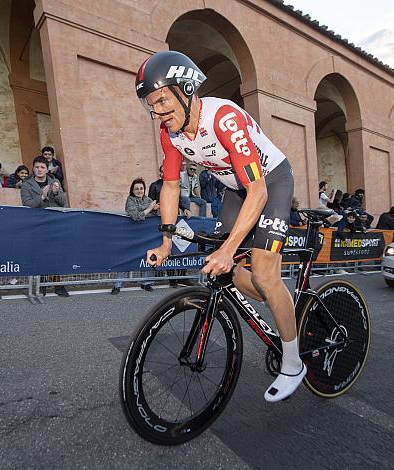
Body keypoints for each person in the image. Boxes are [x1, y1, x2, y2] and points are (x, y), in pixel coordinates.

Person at [138, 50, 303, 402]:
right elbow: (169, 185)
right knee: (236, 274)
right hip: (234, 189)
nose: (157, 113)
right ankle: (281, 300)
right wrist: (166, 241)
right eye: (151, 105)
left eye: (163, 101)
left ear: (186, 89)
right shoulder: (171, 134)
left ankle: (293, 363)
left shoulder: (224, 119)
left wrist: (229, 249)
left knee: (261, 270)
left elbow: (257, 190)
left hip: (270, 183)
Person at [21, 156, 70, 297]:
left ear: (46, 169)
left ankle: (57, 284)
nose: (39, 169)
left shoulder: (55, 181)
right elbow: (27, 204)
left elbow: (63, 203)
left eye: (42, 167)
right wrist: (42, 196)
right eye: (37, 167)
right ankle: (41, 284)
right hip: (36, 224)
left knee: (55, 253)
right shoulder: (27, 184)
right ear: (33, 168)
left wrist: (55, 193)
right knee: (40, 253)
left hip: (54, 223)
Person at [111, 178, 158, 295]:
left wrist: (153, 209)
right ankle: (117, 285)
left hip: (146, 234)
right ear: (132, 190)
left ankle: (146, 283)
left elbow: (154, 212)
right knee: (127, 258)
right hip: (131, 234)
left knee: (148, 257)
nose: (139, 191)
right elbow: (136, 216)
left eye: (141, 188)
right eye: (136, 189)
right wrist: (149, 209)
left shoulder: (148, 199)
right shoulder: (130, 200)